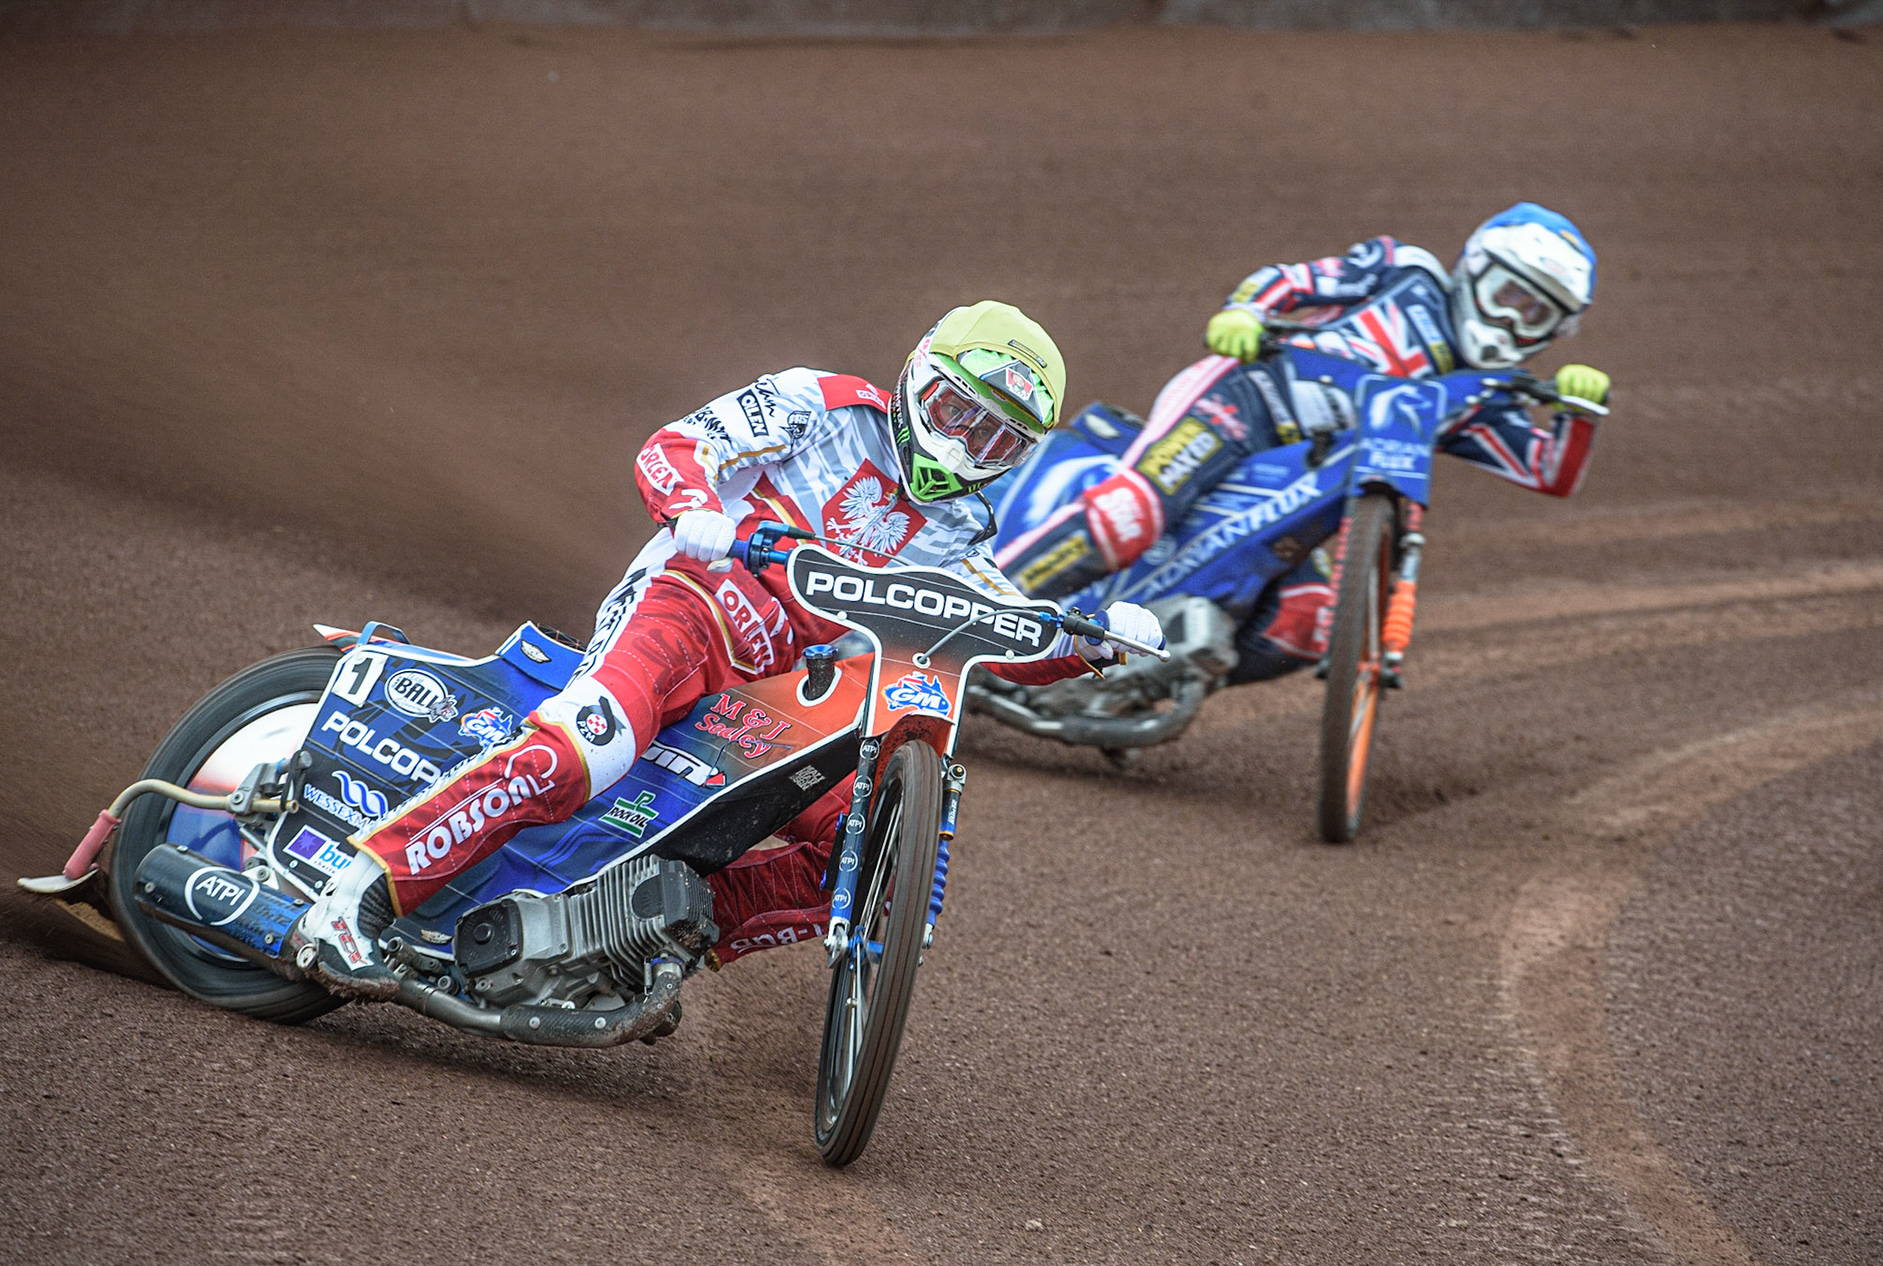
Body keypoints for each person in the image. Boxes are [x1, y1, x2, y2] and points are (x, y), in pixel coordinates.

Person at [292, 302, 1164, 998]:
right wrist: (703, 512)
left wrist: (1093, 645)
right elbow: (676, 446)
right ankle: (361, 891)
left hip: (776, 694)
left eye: (998, 440)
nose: (967, 447)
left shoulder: (963, 532)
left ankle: (644, 935)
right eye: (954, 413)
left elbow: (995, 629)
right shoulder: (819, 403)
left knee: (858, 860)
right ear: (916, 378)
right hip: (687, 608)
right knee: (586, 751)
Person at [995, 203, 1612, 680]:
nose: (1511, 322)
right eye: (1508, 297)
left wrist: (1581, 411)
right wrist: (1246, 310)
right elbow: (1298, 281)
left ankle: (1144, 684)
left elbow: (1550, 469)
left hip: (1318, 483)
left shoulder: (1479, 396)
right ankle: (984, 610)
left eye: (1536, 316)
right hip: (1247, 399)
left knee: (1310, 619)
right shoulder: (1408, 271)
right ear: (1475, 269)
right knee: (1135, 511)